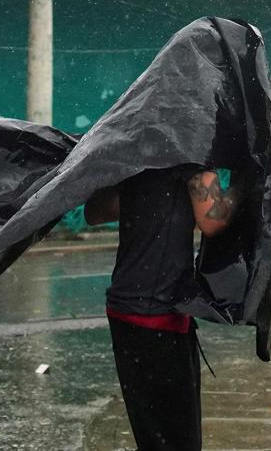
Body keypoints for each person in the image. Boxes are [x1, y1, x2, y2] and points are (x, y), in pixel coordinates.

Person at [84, 167, 244, 451]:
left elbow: (96, 212)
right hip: (160, 315)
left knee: (151, 433)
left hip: (123, 308)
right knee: (178, 439)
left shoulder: (134, 156)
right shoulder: (190, 155)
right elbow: (212, 220)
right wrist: (243, 187)